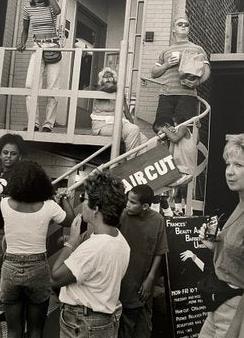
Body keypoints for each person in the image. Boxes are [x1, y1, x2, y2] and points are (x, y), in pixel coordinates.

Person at [0, 160, 74, 338]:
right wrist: (64, 199)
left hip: (10, 266)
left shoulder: (4, 204)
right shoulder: (50, 206)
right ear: (41, 182)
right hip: (38, 268)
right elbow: (70, 220)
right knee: (36, 330)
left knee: (14, 332)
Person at [51, 172, 130, 338]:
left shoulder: (94, 248)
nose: (81, 203)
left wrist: (71, 242)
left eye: (83, 199)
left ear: (96, 208)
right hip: (105, 319)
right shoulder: (120, 239)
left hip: (82, 322)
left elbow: (55, 278)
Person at [198, 134, 244, 337]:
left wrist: (236, 328)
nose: (230, 172)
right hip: (219, 302)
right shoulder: (239, 204)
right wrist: (215, 245)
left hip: (236, 308)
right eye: (228, 164)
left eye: (239, 165)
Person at [0, 133, 27, 334]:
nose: (8, 156)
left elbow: (20, 202)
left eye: (13, 153)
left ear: (20, 156)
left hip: (1, 230)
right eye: (5, 152)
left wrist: (0, 197)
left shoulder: (20, 177)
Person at [118, 184, 168, 338]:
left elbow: (159, 251)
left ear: (145, 206)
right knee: (125, 327)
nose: (127, 205)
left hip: (144, 284)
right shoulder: (121, 216)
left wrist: (150, 278)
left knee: (144, 328)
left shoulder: (158, 220)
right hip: (123, 282)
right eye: (128, 200)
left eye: (133, 202)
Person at [151, 15, 210, 130]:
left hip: (187, 95)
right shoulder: (166, 51)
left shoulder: (197, 49)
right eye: (180, 24)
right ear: (173, 29)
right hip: (166, 94)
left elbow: (206, 71)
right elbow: (154, 73)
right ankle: (169, 148)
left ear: (188, 29)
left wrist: (197, 83)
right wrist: (167, 65)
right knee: (161, 128)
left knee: (185, 129)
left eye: (186, 24)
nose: (183, 26)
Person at [18, 0, 61, 132]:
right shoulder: (28, 8)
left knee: (53, 88)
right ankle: (33, 124)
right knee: (30, 85)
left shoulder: (50, 7)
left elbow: (58, 10)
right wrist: (22, 43)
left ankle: (48, 124)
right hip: (37, 47)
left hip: (53, 47)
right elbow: (25, 30)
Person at [91, 67, 148, 157]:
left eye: (110, 76)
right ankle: (130, 163)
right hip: (102, 125)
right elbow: (109, 88)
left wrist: (132, 124)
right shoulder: (99, 88)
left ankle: (139, 165)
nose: (108, 78)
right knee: (132, 131)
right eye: (105, 77)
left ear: (114, 78)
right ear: (101, 79)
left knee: (143, 139)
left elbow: (126, 111)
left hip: (119, 122)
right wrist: (119, 87)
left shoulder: (118, 91)